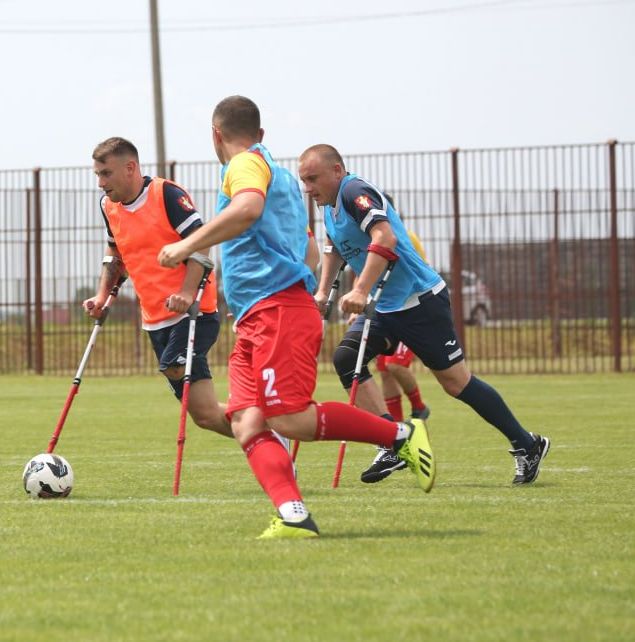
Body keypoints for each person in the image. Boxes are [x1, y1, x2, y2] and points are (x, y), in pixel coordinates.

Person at [158, 96, 435, 540]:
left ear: (215, 134)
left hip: (275, 311)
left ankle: (399, 435)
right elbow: (308, 250)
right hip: (259, 315)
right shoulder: (284, 178)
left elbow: (247, 209)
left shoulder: (243, 166)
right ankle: (293, 515)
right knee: (246, 422)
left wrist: (186, 246)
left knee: (289, 419)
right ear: (261, 133)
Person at [298, 144, 549, 486]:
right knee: (347, 359)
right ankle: (394, 441)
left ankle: (528, 444)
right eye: (304, 181)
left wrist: (360, 291)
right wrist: (323, 291)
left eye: (313, 179)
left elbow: (384, 236)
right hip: (386, 306)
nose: (308, 188)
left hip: (420, 302)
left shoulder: (354, 191)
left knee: (456, 383)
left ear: (337, 171)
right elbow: (333, 246)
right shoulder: (329, 206)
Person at [85, 137, 231, 438]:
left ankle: (268, 439)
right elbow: (115, 252)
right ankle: (267, 432)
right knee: (205, 415)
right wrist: (101, 295)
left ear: (130, 168)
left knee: (173, 365)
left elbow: (201, 242)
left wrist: (187, 293)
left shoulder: (166, 194)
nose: (101, 183)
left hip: (193, 313)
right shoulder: (107, 206)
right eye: (97, 174)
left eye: (106, 173)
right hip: (154, 319)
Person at [375, 193, 431, 425]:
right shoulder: (368, 243)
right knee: (384, 370)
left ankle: (419, 407)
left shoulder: (407, 238)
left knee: (395, 364)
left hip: (411, 313)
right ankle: (396, 427)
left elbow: (423, 272)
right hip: (386, 314)